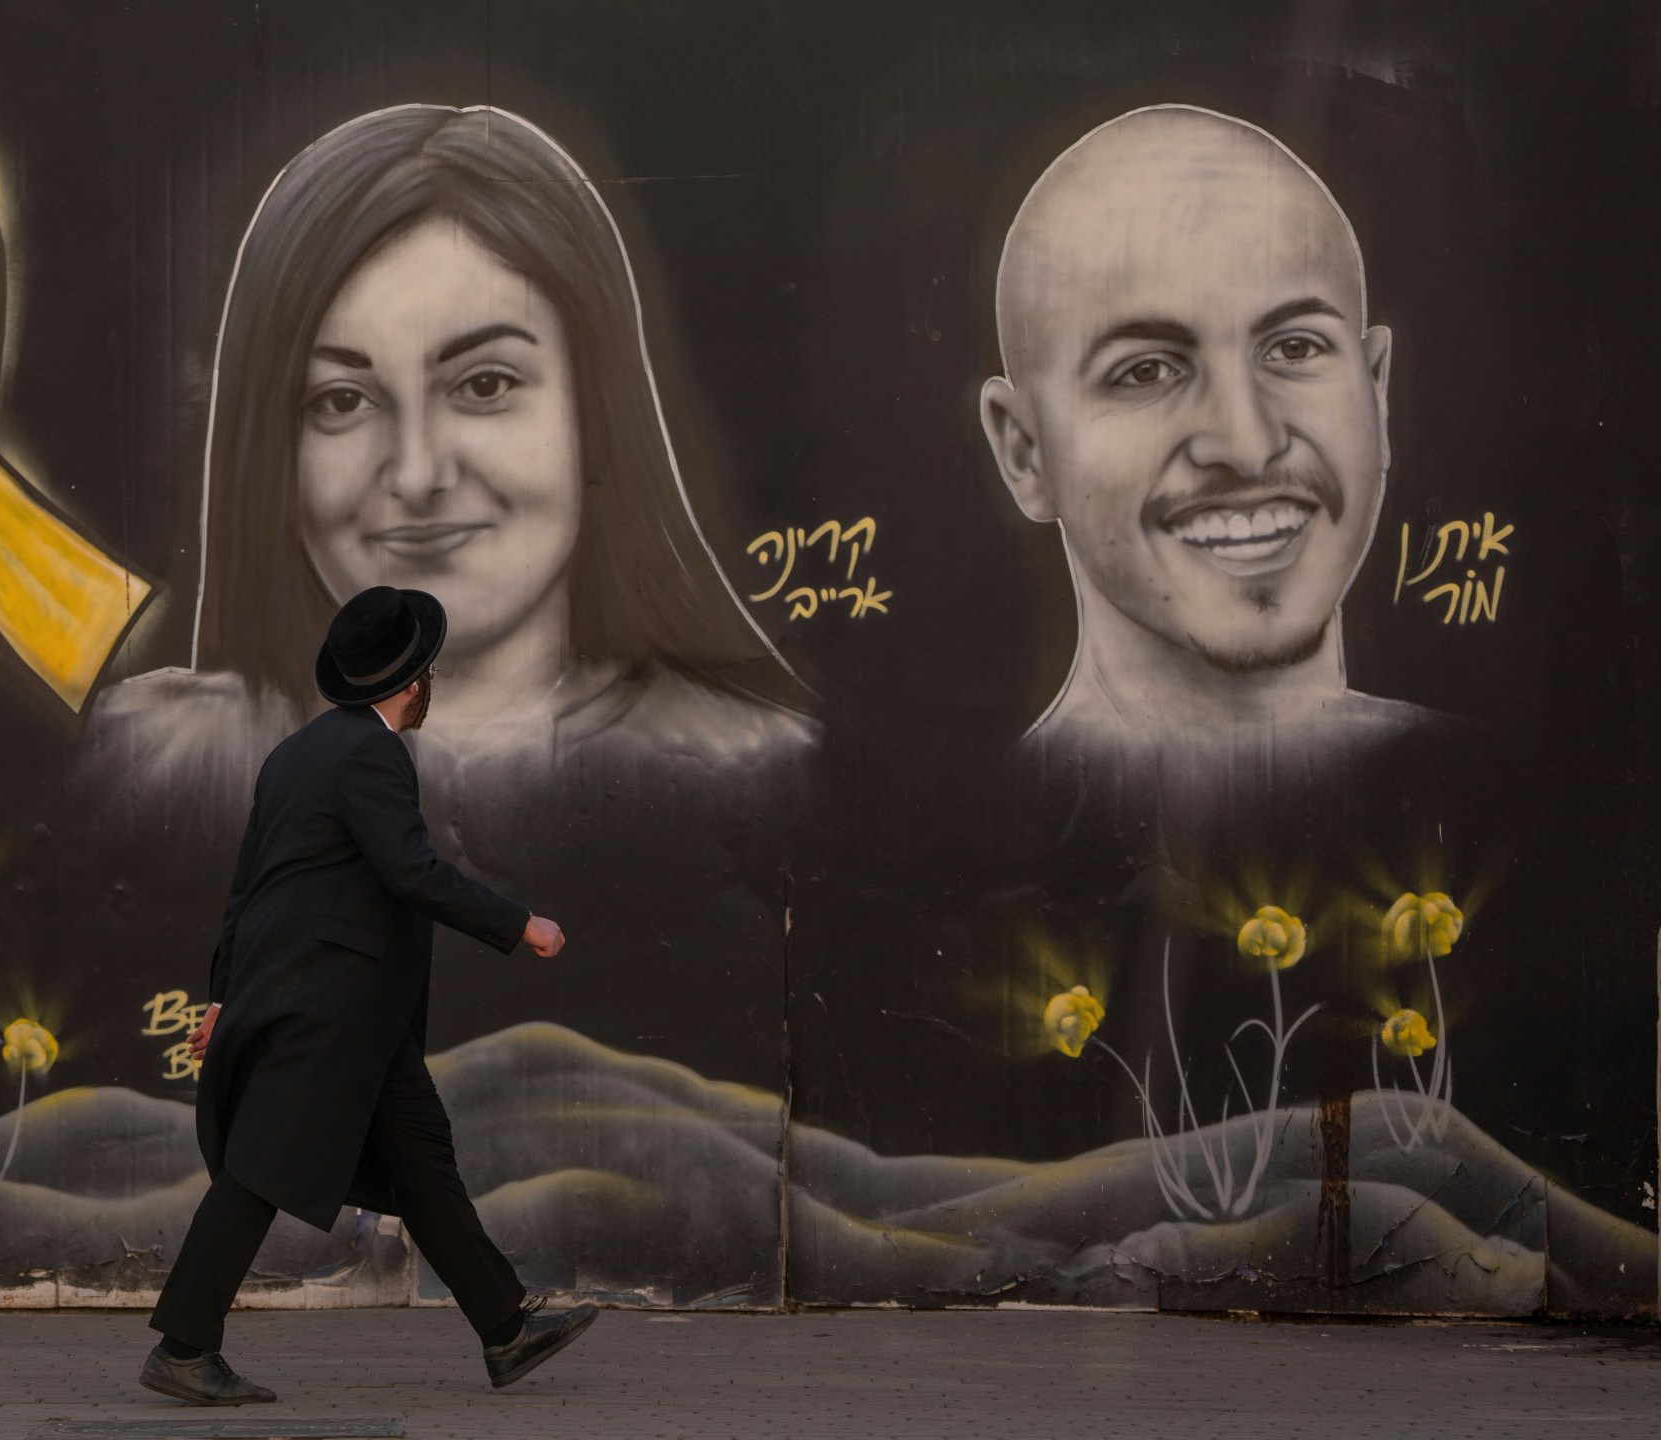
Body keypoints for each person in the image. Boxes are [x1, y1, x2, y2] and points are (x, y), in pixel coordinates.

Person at [89, 104, 813, 794]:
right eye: (341, 400)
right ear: (272, 459)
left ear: (595, 415)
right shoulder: (152, 768)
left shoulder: (761, 773)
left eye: (485, 384)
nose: (417, 473)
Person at [140, 585, 598, 1405]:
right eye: (432, 674)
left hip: (347, 1015)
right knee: (259, 1170)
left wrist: (223, 996)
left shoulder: (297, 754)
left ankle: (505, 1328)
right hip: (327, 1009)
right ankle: (182, 1347)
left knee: (422, 1158)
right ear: (416, 681)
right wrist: (518, 923)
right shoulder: (371, 755)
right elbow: (411, 870)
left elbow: (247, 891)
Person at [977, 104, 1450, 799]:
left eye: (1294, 349)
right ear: (1026, 451)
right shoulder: (959, 868)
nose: (1249, 446)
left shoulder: (1523, 804)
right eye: (1146, 371)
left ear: (1375, 393)